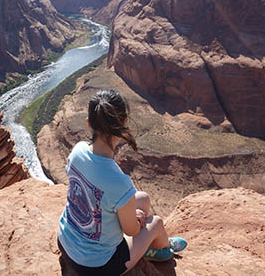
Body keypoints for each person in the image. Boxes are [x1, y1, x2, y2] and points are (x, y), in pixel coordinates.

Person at [57, 89, 187, 275]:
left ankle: (147, 244)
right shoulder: (118, 182)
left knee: (142, 198)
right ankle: (163, 251)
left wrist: (134, 211)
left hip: (66, 242)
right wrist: (137, 218)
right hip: (97, 266)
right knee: (156, 223)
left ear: (88, 124)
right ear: (123, 124)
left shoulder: (77, 151)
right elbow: (132, 230)